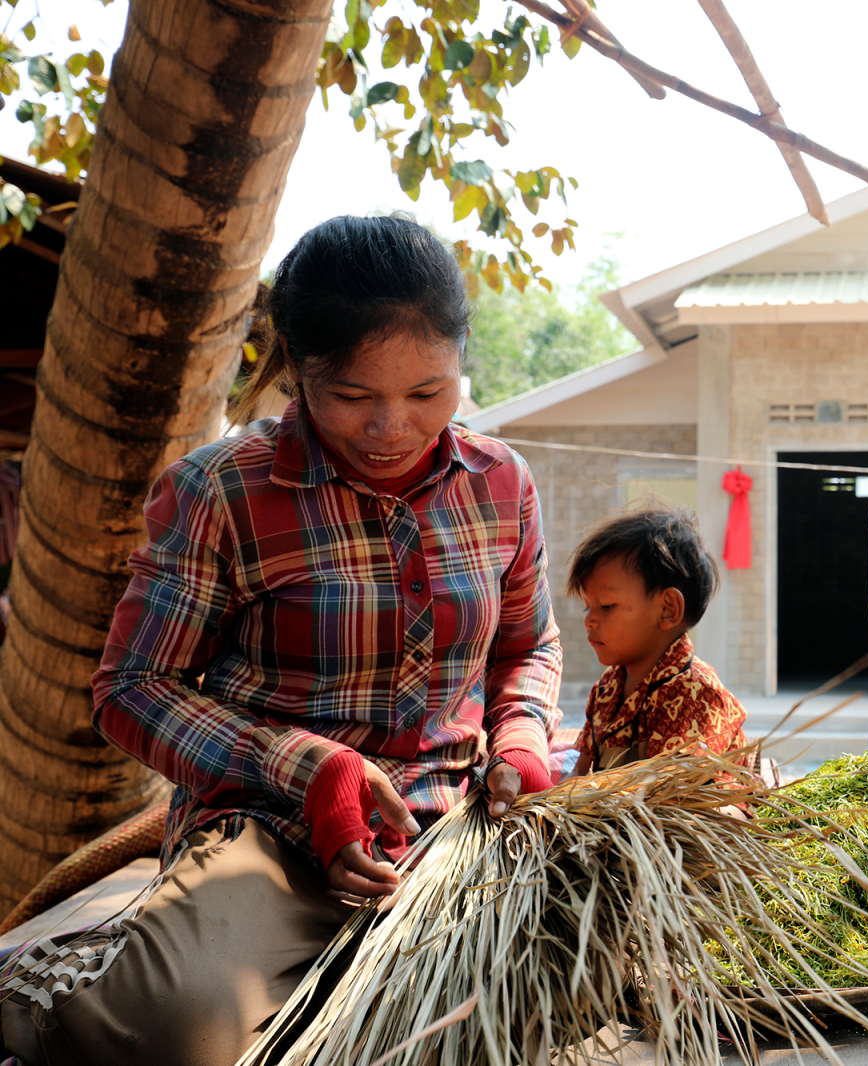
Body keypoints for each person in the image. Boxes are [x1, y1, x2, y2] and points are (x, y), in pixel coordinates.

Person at [0, 214, 562, 1066]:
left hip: (454, 829)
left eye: (428, 393)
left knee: (543, 991)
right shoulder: (220, 491)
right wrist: (311, 771)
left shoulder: (500, 484)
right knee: (176, 1024)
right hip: (272, 828)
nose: (393, 428)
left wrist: (520, 742)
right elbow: (131, 689)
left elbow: (529, 645)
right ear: (297, 371)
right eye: (352, 397)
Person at [567, 506, 749, 775]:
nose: (589, 621)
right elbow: (581, 772)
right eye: (587, 607)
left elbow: (671, 798)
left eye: (606, 606)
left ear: (667, 609)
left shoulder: (696, 692)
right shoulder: (605, 690)